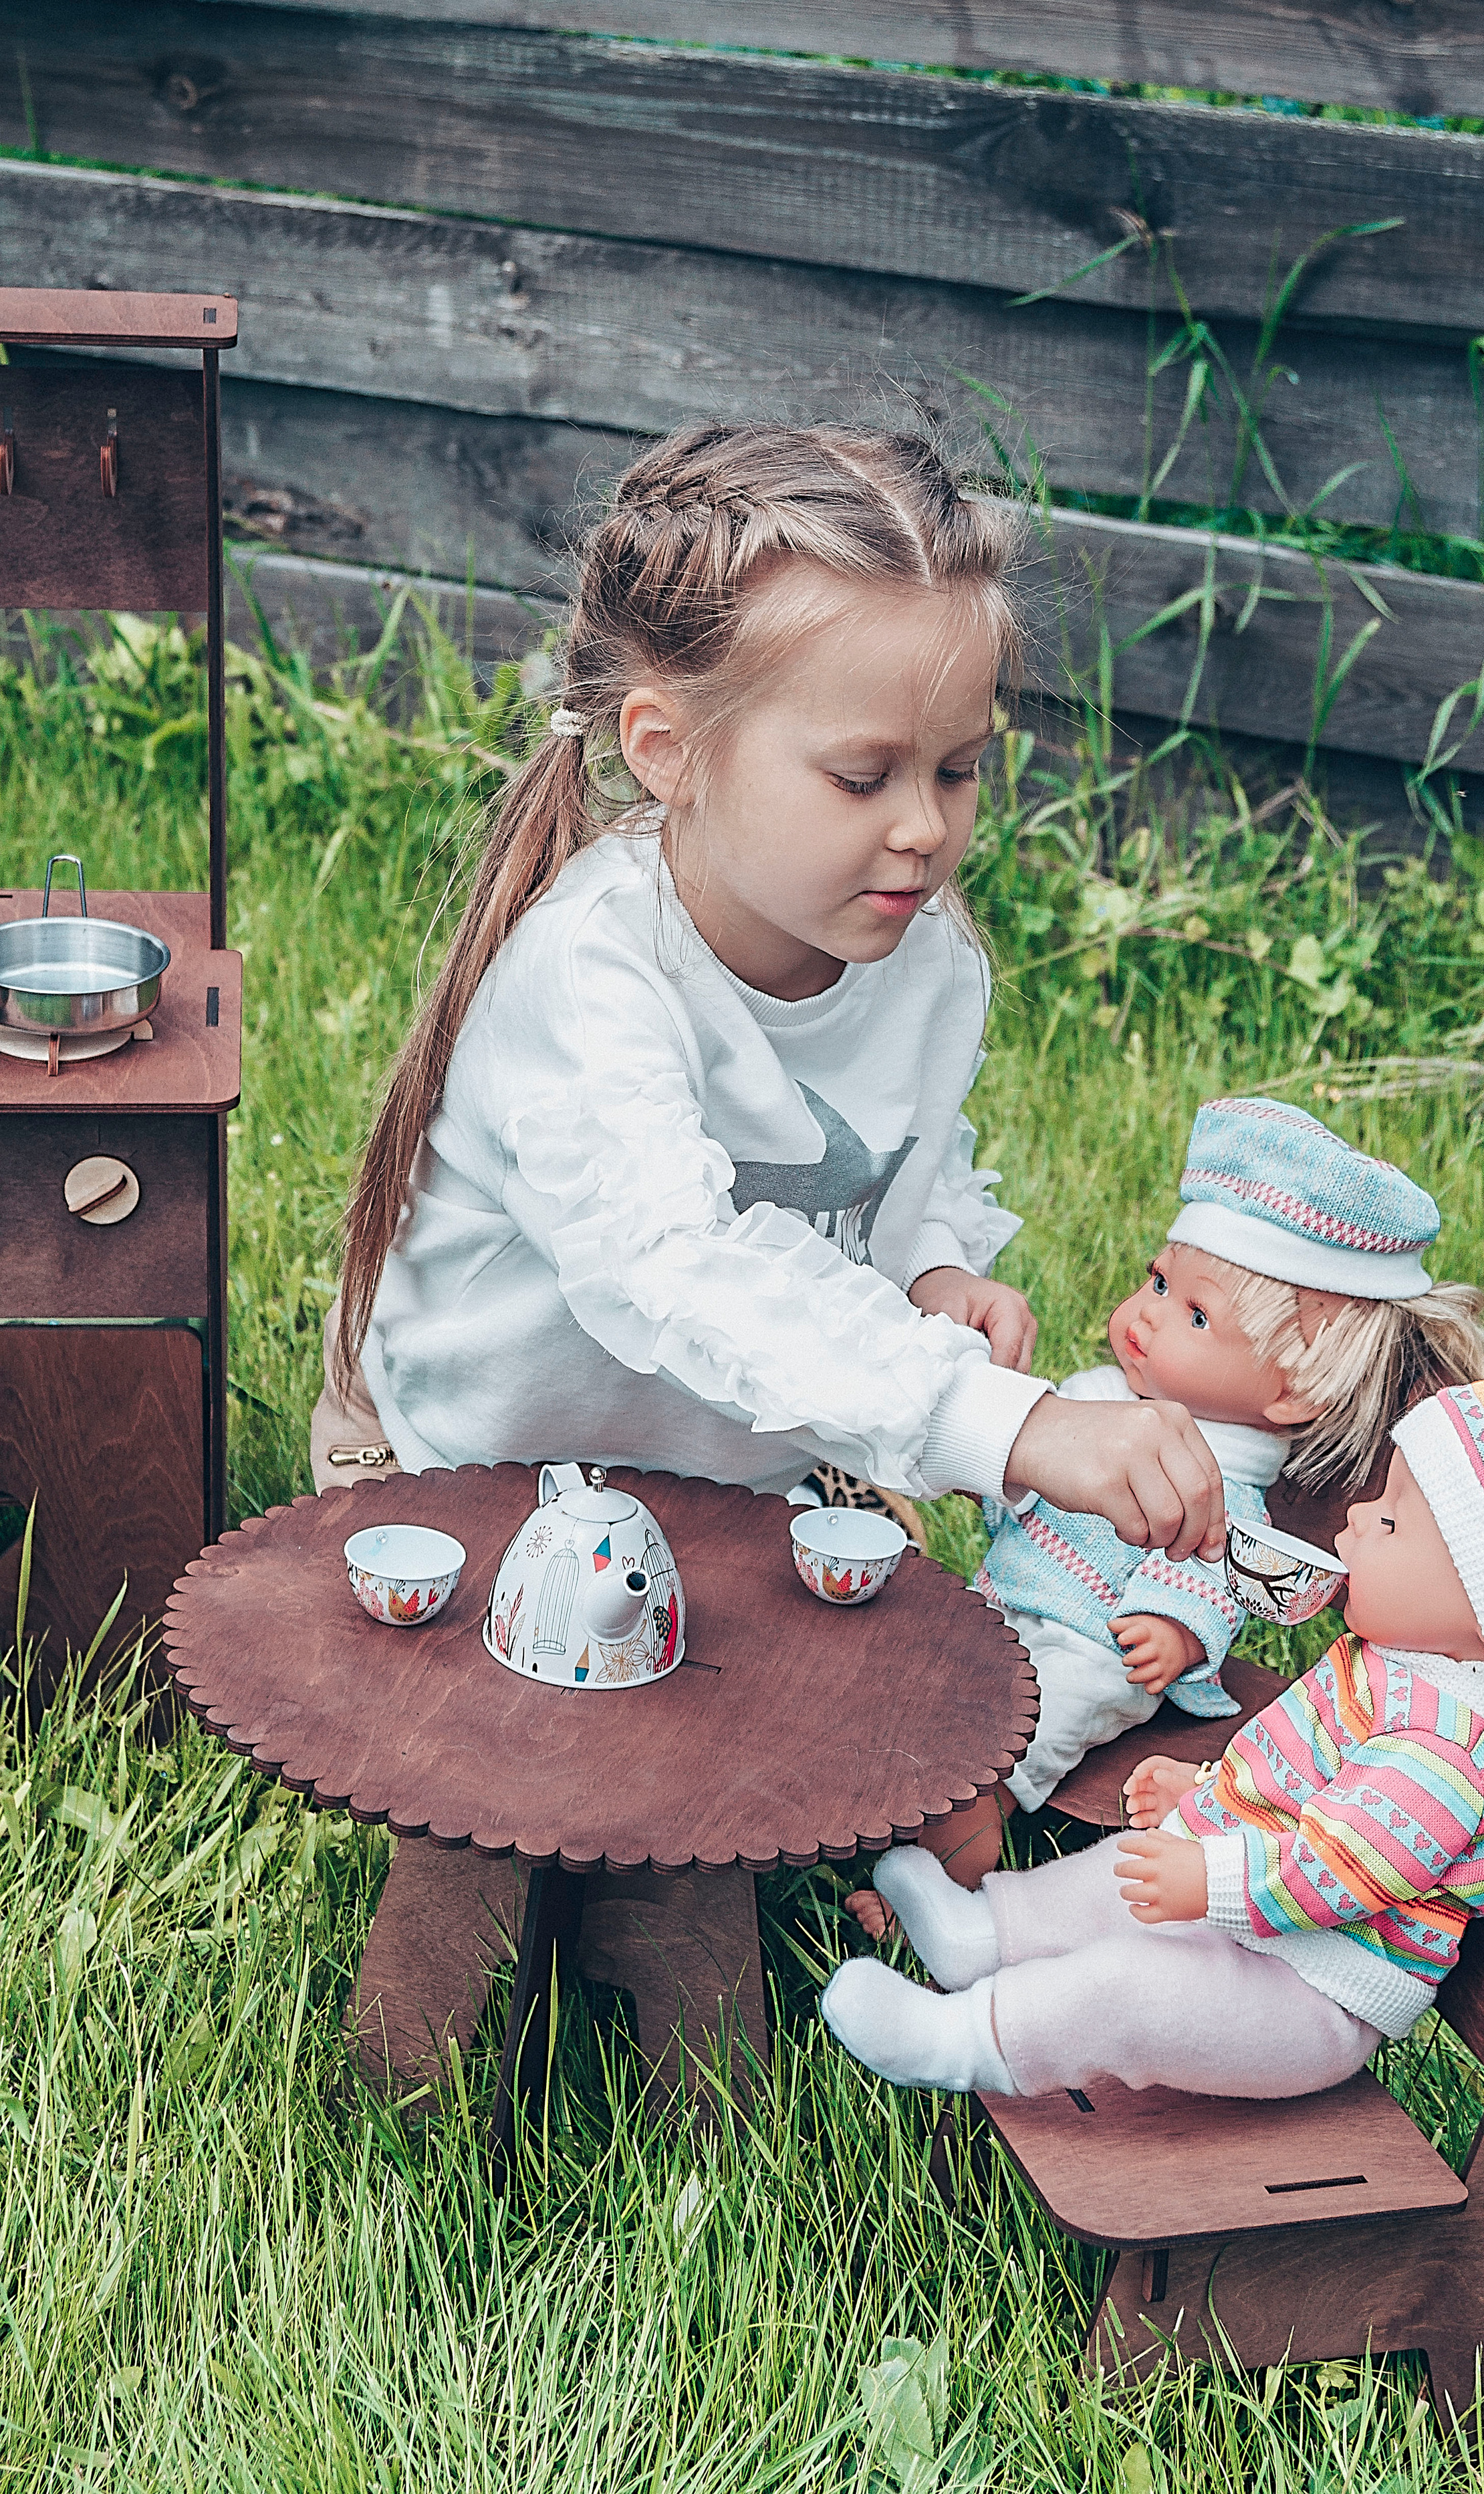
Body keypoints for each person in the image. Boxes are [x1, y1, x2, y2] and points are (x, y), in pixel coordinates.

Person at [312, 423, 1229, 2012]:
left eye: (955, 769)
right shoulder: (591, 976)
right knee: (498, 1829)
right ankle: (425, 2095)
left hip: (708, 1476)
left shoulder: (923, 954)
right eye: (863, 773)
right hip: (475, 1463)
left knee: (696, 1840)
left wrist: (933, 1261)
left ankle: (685, 1956)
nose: (924, 827)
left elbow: (895, 1153)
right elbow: (672, 1266)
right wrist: (997, 1420)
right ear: (668, 748)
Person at [822, 1373, 1484, 2100]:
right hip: (1260, 1919)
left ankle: (964, 2040)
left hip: (1310, 1994)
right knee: (1120, 1878)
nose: (1356, 1521)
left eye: (1390, 1522)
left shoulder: (1448, 1749)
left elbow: (1347, 1865)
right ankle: (985, 1935)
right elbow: (1301, 1783)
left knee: (1130, 1992)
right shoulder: (1409, 1659)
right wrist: (1205, 1804)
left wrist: (1211, 1873)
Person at [845, 1096, 1484, 1930]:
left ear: (1290, 1387)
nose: (1147, 1312)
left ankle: (951, 1899)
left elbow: (1216, 1568)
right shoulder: (1106, 1397)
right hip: (1008, 1596)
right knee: (928, 1685)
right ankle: (892, 1821)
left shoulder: (1221, 1480)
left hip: (1093, 1645)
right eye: (1157, 1282)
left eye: (1194, 1313)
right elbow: (1027, 1456)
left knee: (1003, 1741)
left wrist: (1175, 1627)